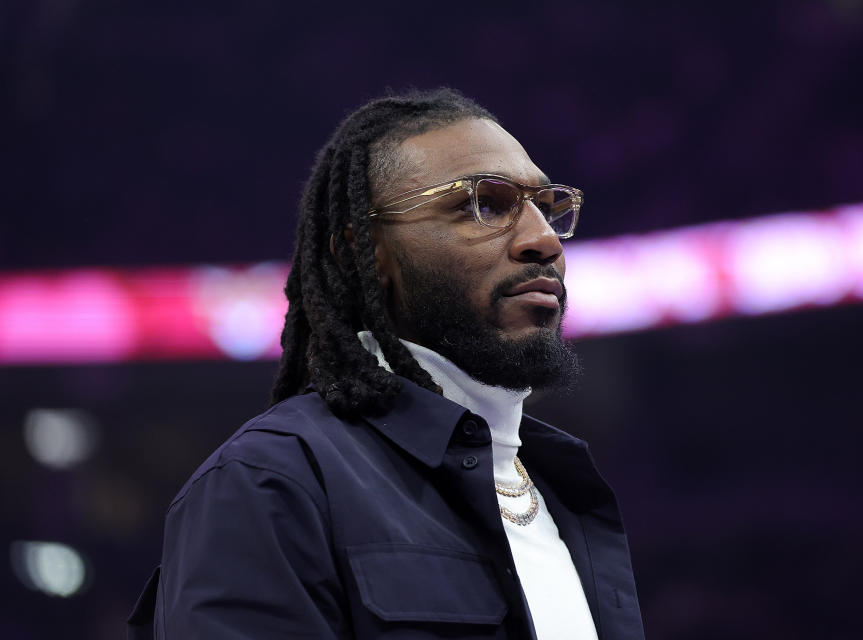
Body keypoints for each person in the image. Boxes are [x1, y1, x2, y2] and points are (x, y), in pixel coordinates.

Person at [127, 88, 644, 639]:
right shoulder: (270, 481)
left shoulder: (565, 492)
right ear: (366, 253)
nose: (543, 239)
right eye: (485, 204)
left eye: (547, 206)